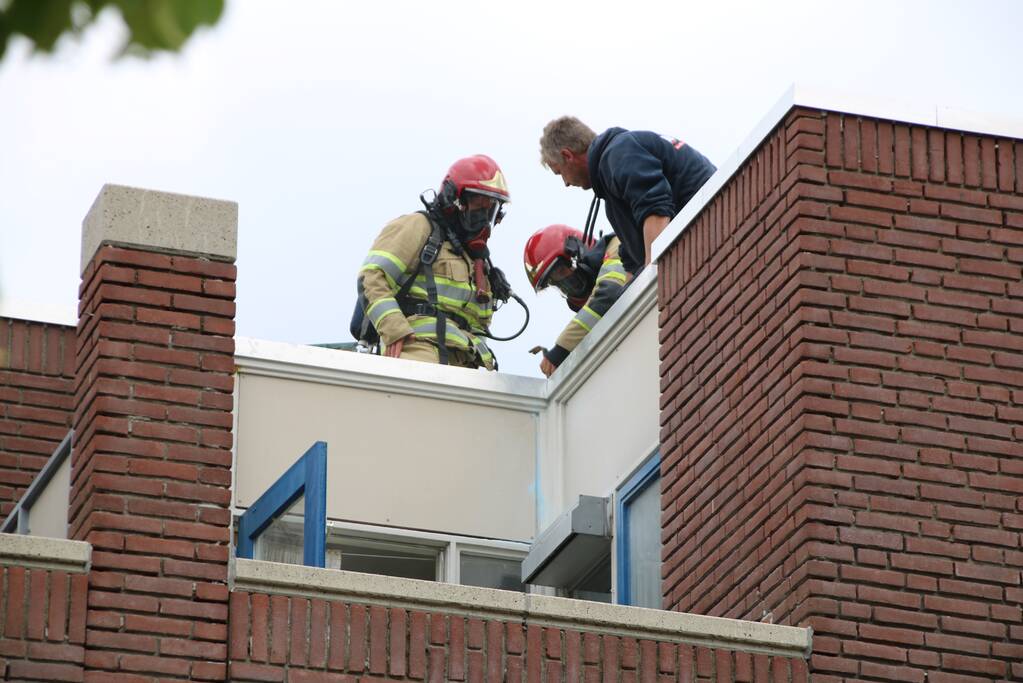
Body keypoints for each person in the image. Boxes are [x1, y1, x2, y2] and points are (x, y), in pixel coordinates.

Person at [356, 155, 510, 369]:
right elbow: (372, 276)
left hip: (467, 363)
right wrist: (395, 330)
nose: (484, 218)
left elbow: (479, 327)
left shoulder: (478, 264)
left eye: (491, 209)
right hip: (418, 350)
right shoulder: (418, 226)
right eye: (478, 205)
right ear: (453, 199)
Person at [538, 116, 716, 275]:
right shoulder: (612, 193)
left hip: (714, 227)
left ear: (567, 155)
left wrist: (651, 277)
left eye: (560, 172)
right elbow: (633, 260)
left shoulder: (619, 153)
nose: (566, 183)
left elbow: (655, 209)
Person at [523, 224, 627, 377]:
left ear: (577, 249)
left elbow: (608, 294)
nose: (564, 283)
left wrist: (561, 349)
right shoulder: (591, 315)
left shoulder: (617, 244)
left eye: (560, 270)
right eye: (554, 282)